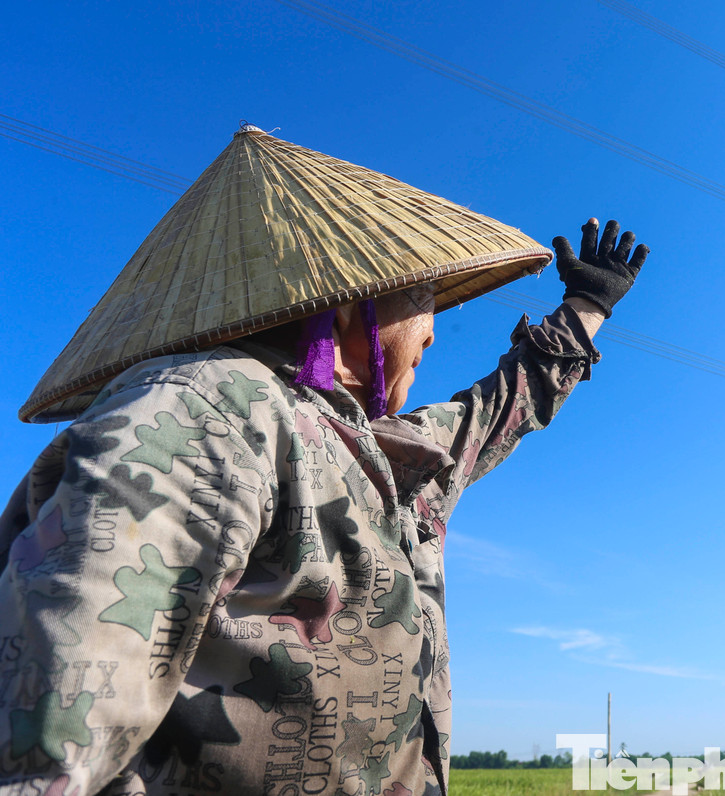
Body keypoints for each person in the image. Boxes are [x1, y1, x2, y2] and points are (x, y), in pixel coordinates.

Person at [0, 125, 647, 795]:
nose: (432, 330)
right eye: (422, 297)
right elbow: (53, 723)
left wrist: (586, 307)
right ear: (348, 310)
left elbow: (494, 412)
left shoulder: (389, 457)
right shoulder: (209, 410)